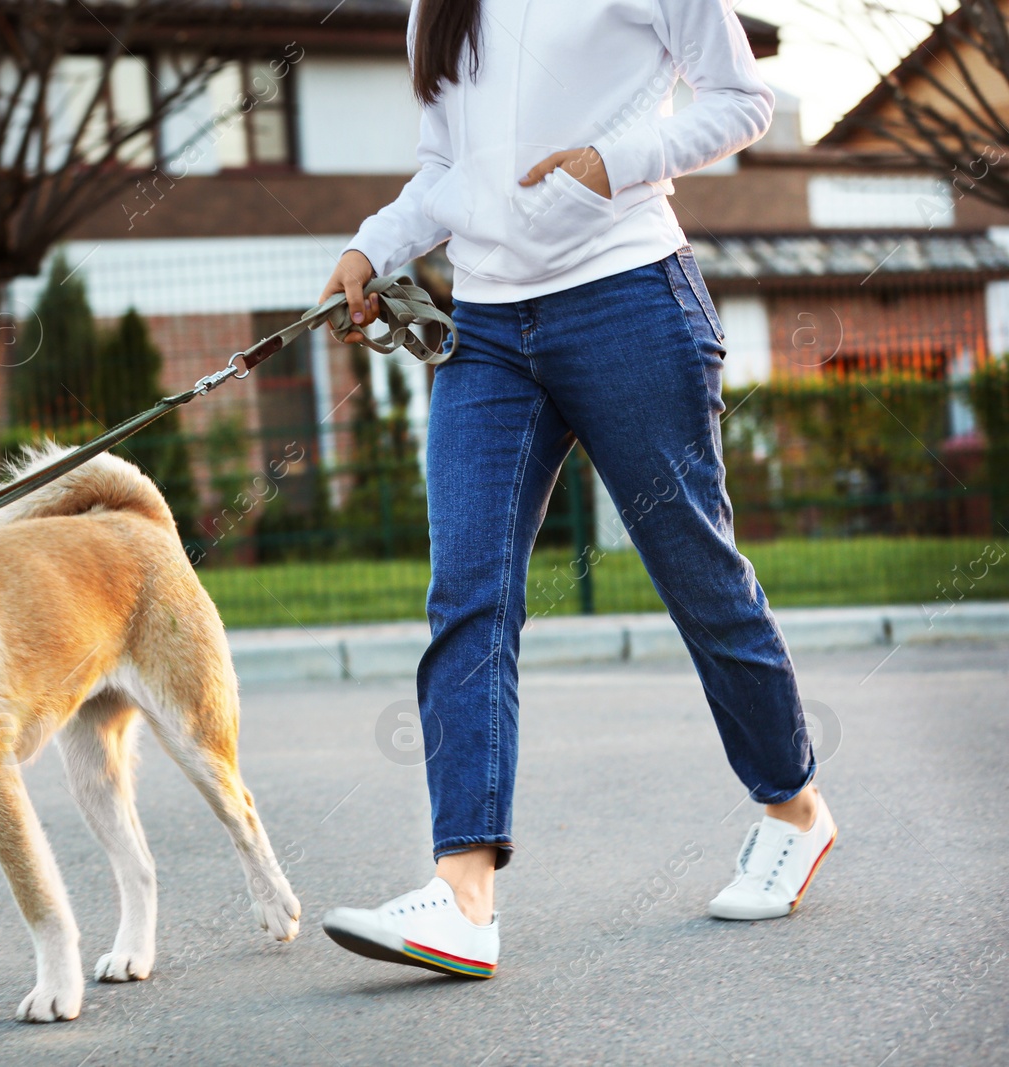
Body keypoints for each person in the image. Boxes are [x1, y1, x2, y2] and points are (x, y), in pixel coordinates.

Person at [317, 0, 836, 979]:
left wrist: (618, 157)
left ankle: (794, 806)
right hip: (487, 330)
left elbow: (740, 99)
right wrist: (370, 248)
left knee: (697, 576)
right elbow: (444, 170)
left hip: (627, 296)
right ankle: (464, 892)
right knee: (467, 594)